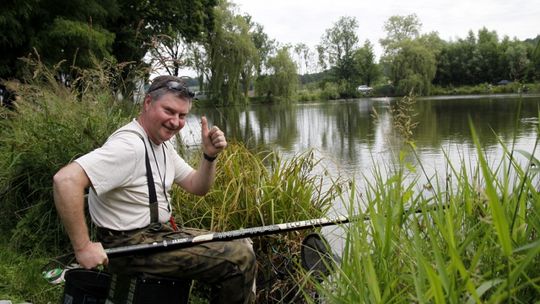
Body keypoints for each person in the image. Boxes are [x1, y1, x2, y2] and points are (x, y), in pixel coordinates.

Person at [53, 75, 256, 303]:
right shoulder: (130, 147)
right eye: (169, 111)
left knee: (241, 241)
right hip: (128, 247)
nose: (176, 122)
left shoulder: (161, 144)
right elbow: (66, 180)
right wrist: (83, 247)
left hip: (153, 236)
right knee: (239, 258)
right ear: (148, 103)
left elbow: (197, 186)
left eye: (182, 115)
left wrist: (209, 156)